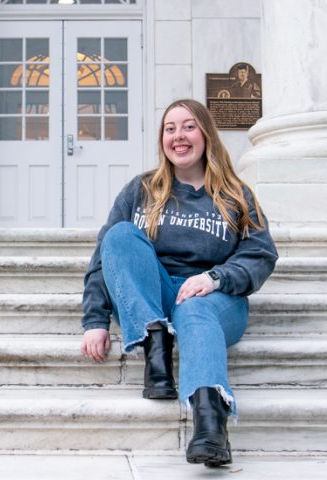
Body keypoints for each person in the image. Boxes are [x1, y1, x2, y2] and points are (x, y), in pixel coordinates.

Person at [80, 99, 278, 467]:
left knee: (196, 308)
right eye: (170, 129)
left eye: (188, 126)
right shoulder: (141, 190)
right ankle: (156, 346)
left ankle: (210, 425)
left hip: (216, 299)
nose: (179, 136)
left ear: (205, 134)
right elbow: (103, 259)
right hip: (152, 297)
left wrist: (215, 277)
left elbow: (262, 254)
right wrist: (95, 321)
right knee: (120, 236)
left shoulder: (236, 194)